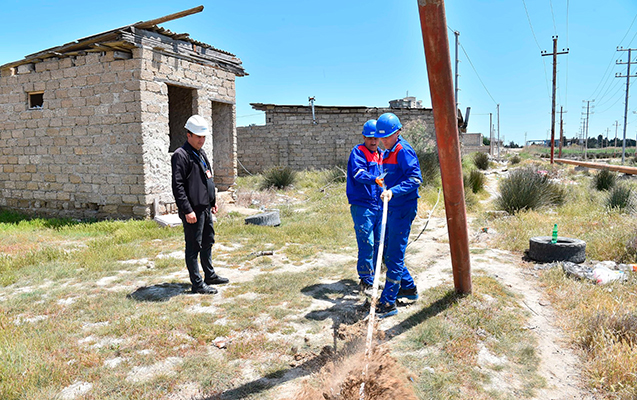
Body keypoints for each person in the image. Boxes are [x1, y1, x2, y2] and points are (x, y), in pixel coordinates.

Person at [171, 115, 229, 294]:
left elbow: (207, 177)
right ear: (188, 135)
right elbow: (178, 186)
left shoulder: (201, 153)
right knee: (193, 246)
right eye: (198, 137)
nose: (201, 140)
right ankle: (197, 284)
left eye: (203, 137)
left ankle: (209, 275)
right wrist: (187, 210)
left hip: (205, 207)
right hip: (193, 210)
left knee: (207, 241)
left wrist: (212, 201)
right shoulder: (181, 155)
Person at [374, 112, 422, 318]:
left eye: (387, 137)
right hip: (392, 207)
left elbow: (415, 179)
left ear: (398, 132)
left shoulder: (403, 150)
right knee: (387, 251)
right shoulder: (388, 151)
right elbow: (394, 174)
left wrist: (394, 191)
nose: (383, 141)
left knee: (394, 255)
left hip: (403, 209)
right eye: (381, 137)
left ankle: (388, 303)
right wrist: (383, 181)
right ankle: (408, 288)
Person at [346, 119, 385, 296]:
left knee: (379, 243)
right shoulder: (358, 152)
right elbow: (359, 173)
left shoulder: (382, 154)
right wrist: (374, 179)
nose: (373, 141)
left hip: (379, 205)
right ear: (364, 137)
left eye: (376, 138)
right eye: (370, 138)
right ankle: (366, 280)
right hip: (363, 205)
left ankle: (374, 278)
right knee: (366, 243)